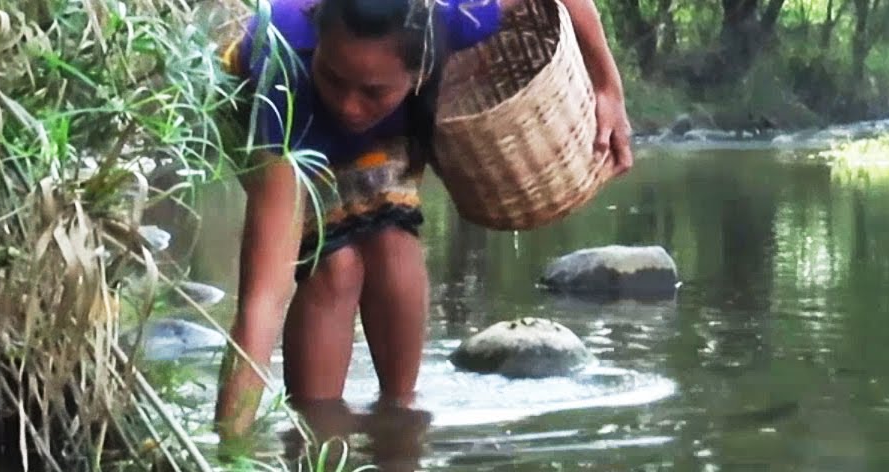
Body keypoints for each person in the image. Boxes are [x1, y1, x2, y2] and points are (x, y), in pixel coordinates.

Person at [214, 0, 632, 440]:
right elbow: (261, 303)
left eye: (372, 92)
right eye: (335, 79)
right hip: (275, 114)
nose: (350, 106)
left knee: (392, 241)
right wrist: (228, 452)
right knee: (335, 266)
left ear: (422, 69)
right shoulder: (281, 64)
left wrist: (608, 88)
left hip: (383, 127)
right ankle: (315, 440)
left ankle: (400, 423)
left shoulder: (453, 16)